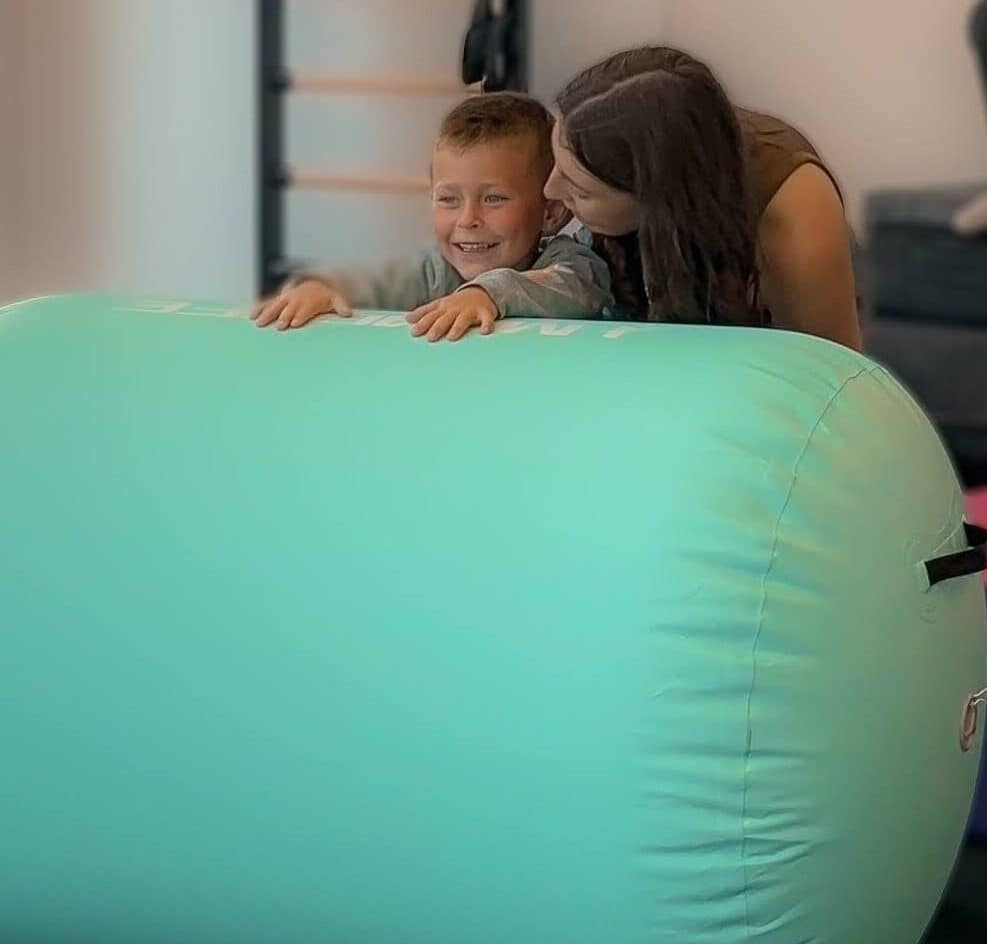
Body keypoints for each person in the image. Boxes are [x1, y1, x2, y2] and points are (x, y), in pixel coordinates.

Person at [544, 46, 862, 349]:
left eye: (580, 190)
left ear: (656, 200)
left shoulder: (792, 210)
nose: (549, 190)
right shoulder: (593, 153)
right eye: (555, 162)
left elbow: (834, 375)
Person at [252, 93, 612, 342]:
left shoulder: (571, 262)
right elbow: (375, 283)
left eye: (494, 199)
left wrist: (486, 294)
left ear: (551, 212)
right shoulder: (435, 271)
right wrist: (323, 288)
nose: (468, 219)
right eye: (448, 199)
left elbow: (578, 290)